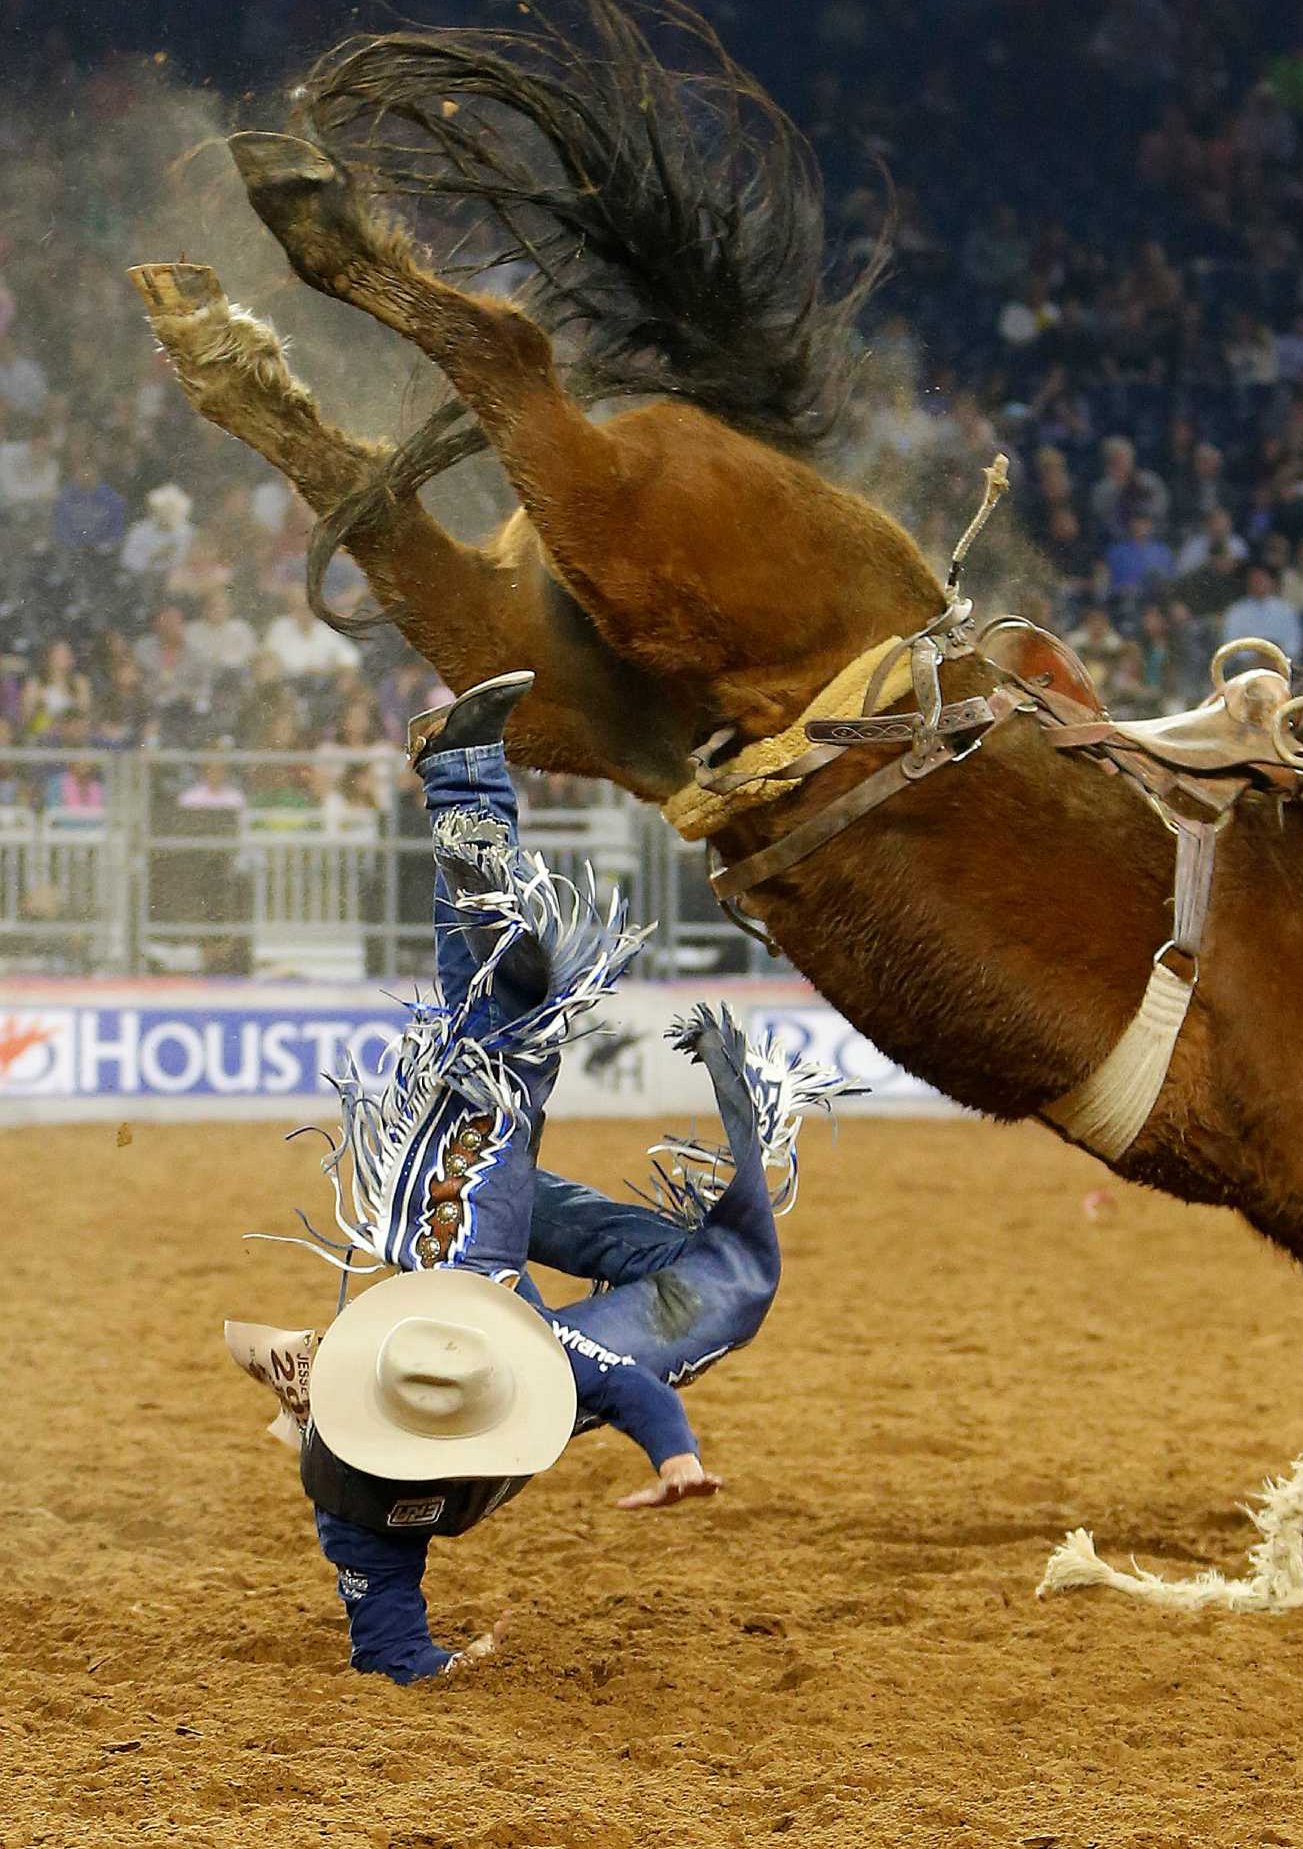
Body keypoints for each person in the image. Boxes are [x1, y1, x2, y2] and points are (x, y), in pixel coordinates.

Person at [227, 673, 852, 1683]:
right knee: (714, 1266)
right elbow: (627, 1385)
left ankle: (466, 789)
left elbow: (391, 1650)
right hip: (474, 1261)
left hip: (467, 1245)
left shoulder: (353, 1508)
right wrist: (678, 1457)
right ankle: (462, 785)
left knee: (508, 1045)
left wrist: (446, 1661)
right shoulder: (486, 1383)